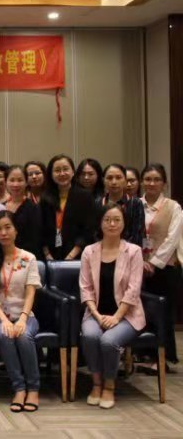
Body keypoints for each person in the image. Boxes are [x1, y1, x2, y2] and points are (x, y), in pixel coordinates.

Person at [80, 203, 145, 409]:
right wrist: (97, 315)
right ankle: (96, 383)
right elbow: (85, 288)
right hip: (96, 313)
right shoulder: (89, 251)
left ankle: (109, 386)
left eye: (117, 220)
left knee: (109, 341)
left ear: (124, 223)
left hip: (127, 315)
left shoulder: (133, 251)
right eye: (107, 220)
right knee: (90, 336)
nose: (112, 224)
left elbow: (133, 289)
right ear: (100, 223)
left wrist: (117, 317)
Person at [0, 210, 41, 413]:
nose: (3, 233)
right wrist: (4, 320)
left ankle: (33, 389)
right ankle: (19, 388)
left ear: (16, 230)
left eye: (7, 227)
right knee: (5, 334)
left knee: (23, 336)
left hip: (25, 315)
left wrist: (22, 319)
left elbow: (30, 293)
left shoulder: (28, 258)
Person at [140, 163, 183, 368]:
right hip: (139, 265)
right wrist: (140, 261)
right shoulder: (135, 204)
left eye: (157, 180)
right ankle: (145, 354)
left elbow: (172, 239)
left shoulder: (173, 207)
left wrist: (154, 263)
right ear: (142, 182)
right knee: (143, 311)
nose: (152, 183)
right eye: (148, 179)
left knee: (163, 313)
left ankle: (163, 358)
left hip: (165, 267)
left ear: (164, 184)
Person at [40, 155, 96, 261]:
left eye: (65, 169)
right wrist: (47, 254)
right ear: (51, 174)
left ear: (73, 172)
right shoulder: (45, 198)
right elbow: (40, 229)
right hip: (50, 256)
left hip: (78, 255)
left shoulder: (85, 197)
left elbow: (88, 229)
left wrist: (71, 256)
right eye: (57, 170)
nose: (62, 173)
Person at [98, 164, 144, 247]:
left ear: (125, 180)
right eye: (109, 178)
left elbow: (137, 235)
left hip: (129, 251)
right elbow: (94, 233)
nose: (114, 182)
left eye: (118, 178)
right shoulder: (97, 203)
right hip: (101, 250)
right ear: (103, 180)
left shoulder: (135, 203)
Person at [3, 165, 43, 258]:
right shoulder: (1, 207)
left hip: (26, 258)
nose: (15, 184)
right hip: (4, 257)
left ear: (26, 182)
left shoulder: (34, 208)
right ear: (5, 182)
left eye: (20, 180)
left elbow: (35, 240)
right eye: (12, 180)